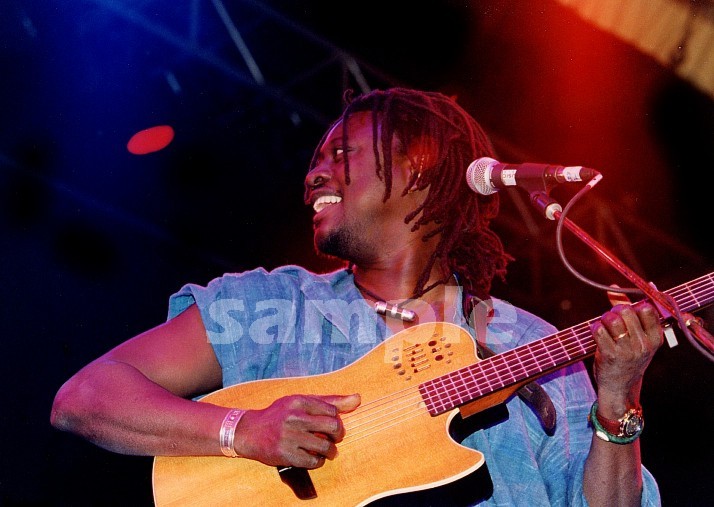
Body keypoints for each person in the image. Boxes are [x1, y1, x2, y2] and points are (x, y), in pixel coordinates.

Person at [51, 87, 662, 506]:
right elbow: (86, 398)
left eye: (341, 154)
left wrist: (618, 404)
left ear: (420, 165)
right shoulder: (271, 305)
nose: (313, 174)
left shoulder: (531, 343)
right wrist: (242, 430)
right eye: (317, 161)